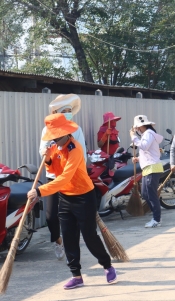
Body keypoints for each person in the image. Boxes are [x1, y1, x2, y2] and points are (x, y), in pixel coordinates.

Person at [28, 114, 116, 289]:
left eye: (56, 137)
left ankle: (107, 265)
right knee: (68, 236)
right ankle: (76, 275)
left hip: (84, 197)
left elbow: (64, 177)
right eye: (52, 138)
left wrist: (39, 191)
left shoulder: (75, 149)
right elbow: (54, 170)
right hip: (65, 197)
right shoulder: (55, 148)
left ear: (65, 133)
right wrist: (48, 159)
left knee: (89, 236)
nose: (54, 140)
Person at [38, 94, 87, 261]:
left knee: (72, 217)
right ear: (56, 113)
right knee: (51, 216)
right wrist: (45, 153)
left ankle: (71, 249)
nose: (68, 113)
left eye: (69, 110)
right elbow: (43, 151)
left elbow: (82, 153)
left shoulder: (76, 129)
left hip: (71, 177)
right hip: (53, 176)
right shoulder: (47, 130)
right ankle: (58, 241)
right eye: (64, 111)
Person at [130, 115, 163, 228]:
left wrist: (133, 137)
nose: (137, 130)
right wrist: (138, 159)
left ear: (140, 126)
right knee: (145, 193)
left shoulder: (148, 133)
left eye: (137, 128)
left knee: (151, 194)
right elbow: (150, 152)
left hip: (152, 167)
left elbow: (144, 146)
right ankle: (156, 216)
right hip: (148, 167)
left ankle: (156, 219)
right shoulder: (147, 134)